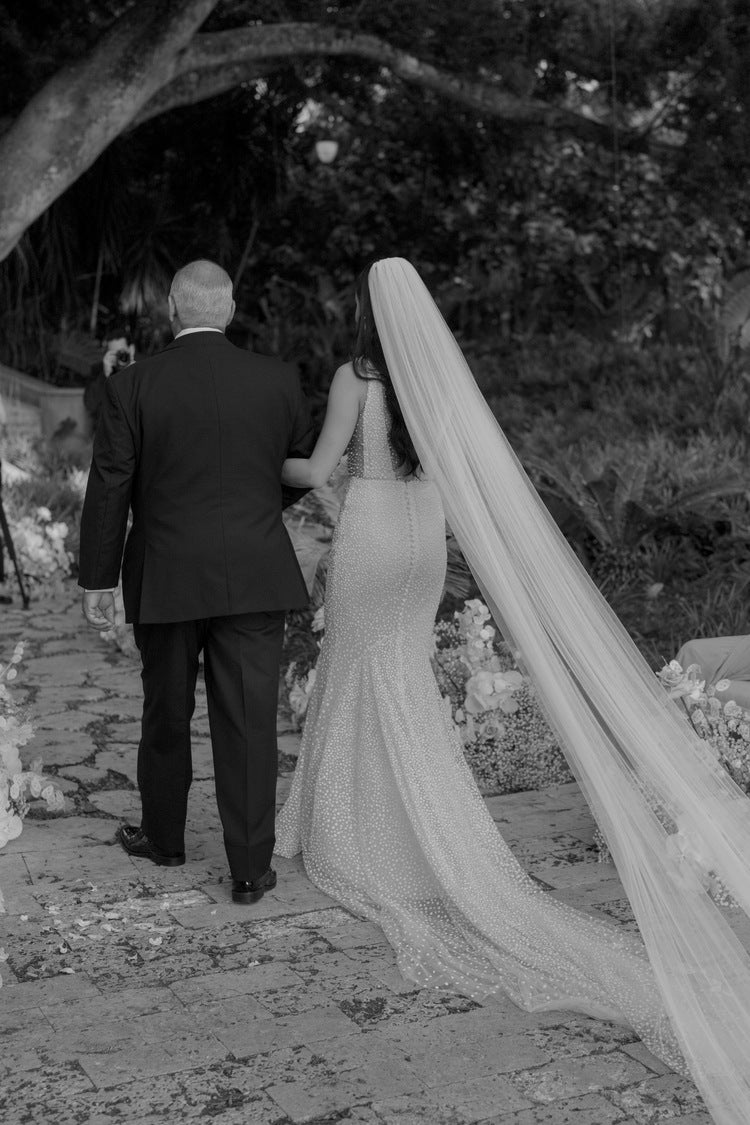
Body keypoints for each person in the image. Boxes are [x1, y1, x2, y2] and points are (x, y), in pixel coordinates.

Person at [276, 257, 750, 1125]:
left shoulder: (358, 377)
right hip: (422, 534)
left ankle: (351, 832)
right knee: (401, 679)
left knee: (353, 671)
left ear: (367, 312)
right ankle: (410, 824)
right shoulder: (431, 382)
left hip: (373, 530)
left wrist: (267, 457)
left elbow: (316, 469)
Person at [78, 260, 314, 904]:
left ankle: (165, 840)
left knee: (166, 710)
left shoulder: (132, 385)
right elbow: (293, 468)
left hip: (166, 573)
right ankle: (249, 870)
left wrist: (97, 580)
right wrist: (253, 519)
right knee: (250, 721)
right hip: (255, 572)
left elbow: (110, 486)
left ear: (172, 311)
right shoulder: (277, 379)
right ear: (230, 310)